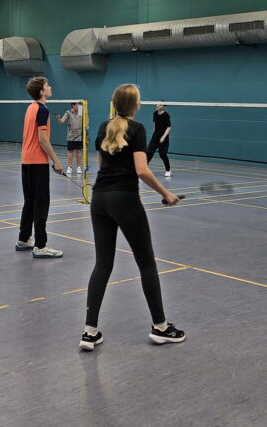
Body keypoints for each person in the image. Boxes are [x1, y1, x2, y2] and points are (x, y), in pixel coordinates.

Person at [80, 83, 184, 351]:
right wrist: (166, 192)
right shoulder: (137, 129)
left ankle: (89, 332)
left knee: (102, 265)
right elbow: (141, 170)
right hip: (124, 199)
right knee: (146, 263)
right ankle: (160, 328)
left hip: (100, 199)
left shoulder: (104, 127)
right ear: (135, 105)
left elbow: (103, 166)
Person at [15, 76, 64, 258]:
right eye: (47, 86)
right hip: (37, 162)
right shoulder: (42, 109)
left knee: (29, 201)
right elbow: (43, 140)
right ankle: (41, 246)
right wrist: (56, 161)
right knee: (41, 204)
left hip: (26, 161)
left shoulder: (30, 108)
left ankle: (23, 239)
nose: (50, 87)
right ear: (42, 92)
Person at [146, 102, 172, 177]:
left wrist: (163, 137)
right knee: (149, 152)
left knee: (162, 154)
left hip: (164, 138)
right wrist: (154, 135)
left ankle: (168, 170)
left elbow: (169, 127)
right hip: (155, 137)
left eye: (160, 105)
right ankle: (143, 169)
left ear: (164, 107)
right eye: (157, 104)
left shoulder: (166, 115)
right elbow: (155, 125)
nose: (157, 105)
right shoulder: (155, 113)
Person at [57, 102, 83, 175]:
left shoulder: (81, 112)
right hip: (71, 136)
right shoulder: (68, 113)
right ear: (73, 105)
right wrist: (58, 118)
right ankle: (69, 167)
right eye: (78, 105)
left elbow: (86, 122)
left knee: (78, 151)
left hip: (79, 136)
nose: (79, 107)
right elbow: (62, 121)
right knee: (70, 152)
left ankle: (78, 167)